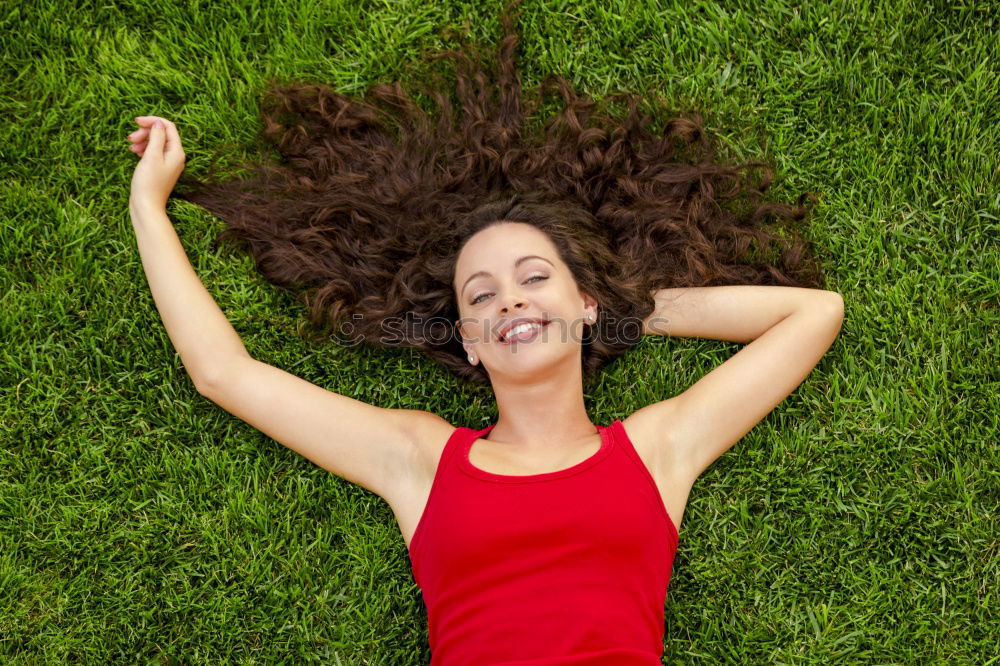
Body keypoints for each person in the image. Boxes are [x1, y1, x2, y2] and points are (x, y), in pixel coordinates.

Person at [126, 1, 844, 663]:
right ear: (468, 338)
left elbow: (812, 312)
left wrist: (624, 305)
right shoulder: (418, 458)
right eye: (483, 294)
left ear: (583, 303)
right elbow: (223, 373)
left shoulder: (660, 449)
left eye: (534, 278)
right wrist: (150, 209)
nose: (509, 302)